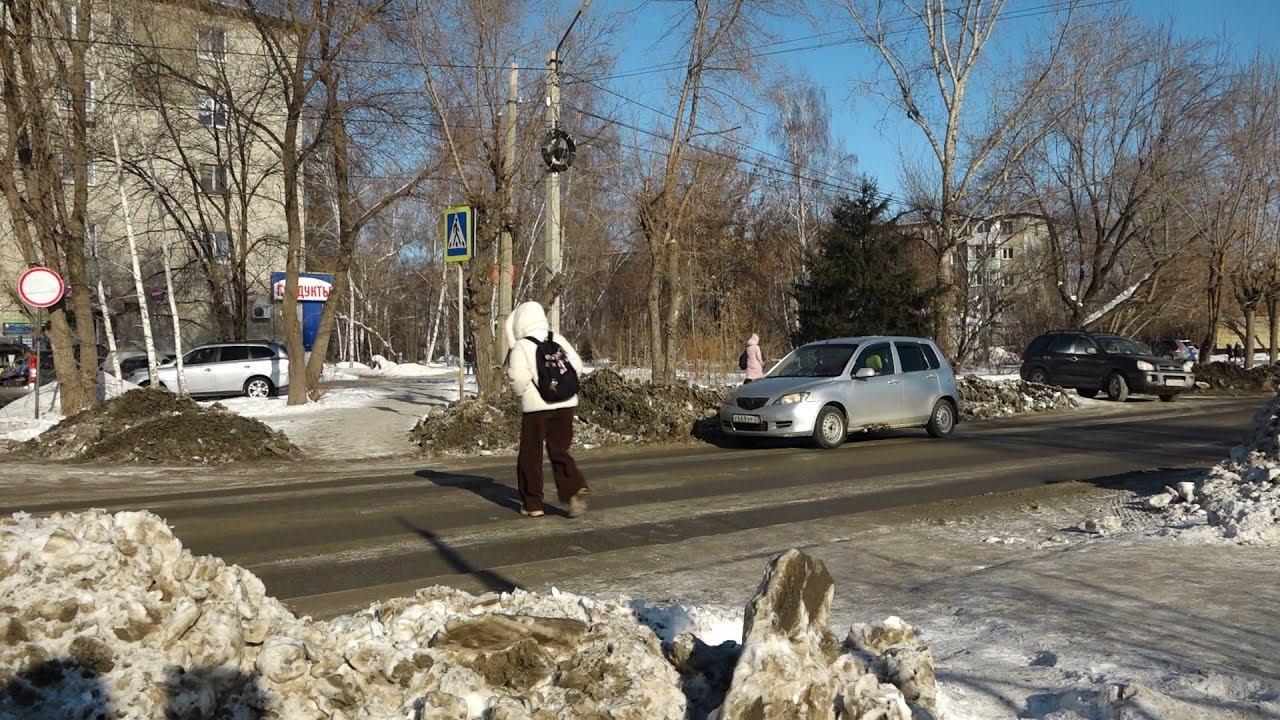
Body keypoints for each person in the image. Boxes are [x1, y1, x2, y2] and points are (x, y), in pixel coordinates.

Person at [505, 301, 588, 518]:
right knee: (559, 450)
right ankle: (574, 487)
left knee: (530, 454)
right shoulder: (558, 339)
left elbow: (518, 378)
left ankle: (533, 504)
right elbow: (577, 366)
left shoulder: (522, 345)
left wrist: (520, 393)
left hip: (536, 408)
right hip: (566, 403)